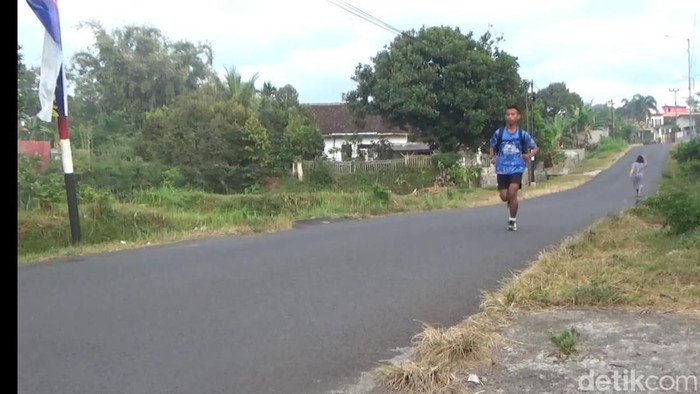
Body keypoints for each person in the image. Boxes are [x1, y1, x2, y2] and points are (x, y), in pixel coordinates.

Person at [489, 105, 538, 231]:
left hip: (517, 167)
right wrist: (492, 157)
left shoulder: (522, 134)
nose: (510, 117)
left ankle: (512, 220)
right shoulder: (499, 133)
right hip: (502, 168)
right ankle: (511, 202)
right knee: (505, 196)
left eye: (513, 114)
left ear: (518, 116)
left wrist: (529, 155)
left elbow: (535, 147)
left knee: (513, 190)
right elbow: (492, 145)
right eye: (508, 114)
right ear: (505, 117)